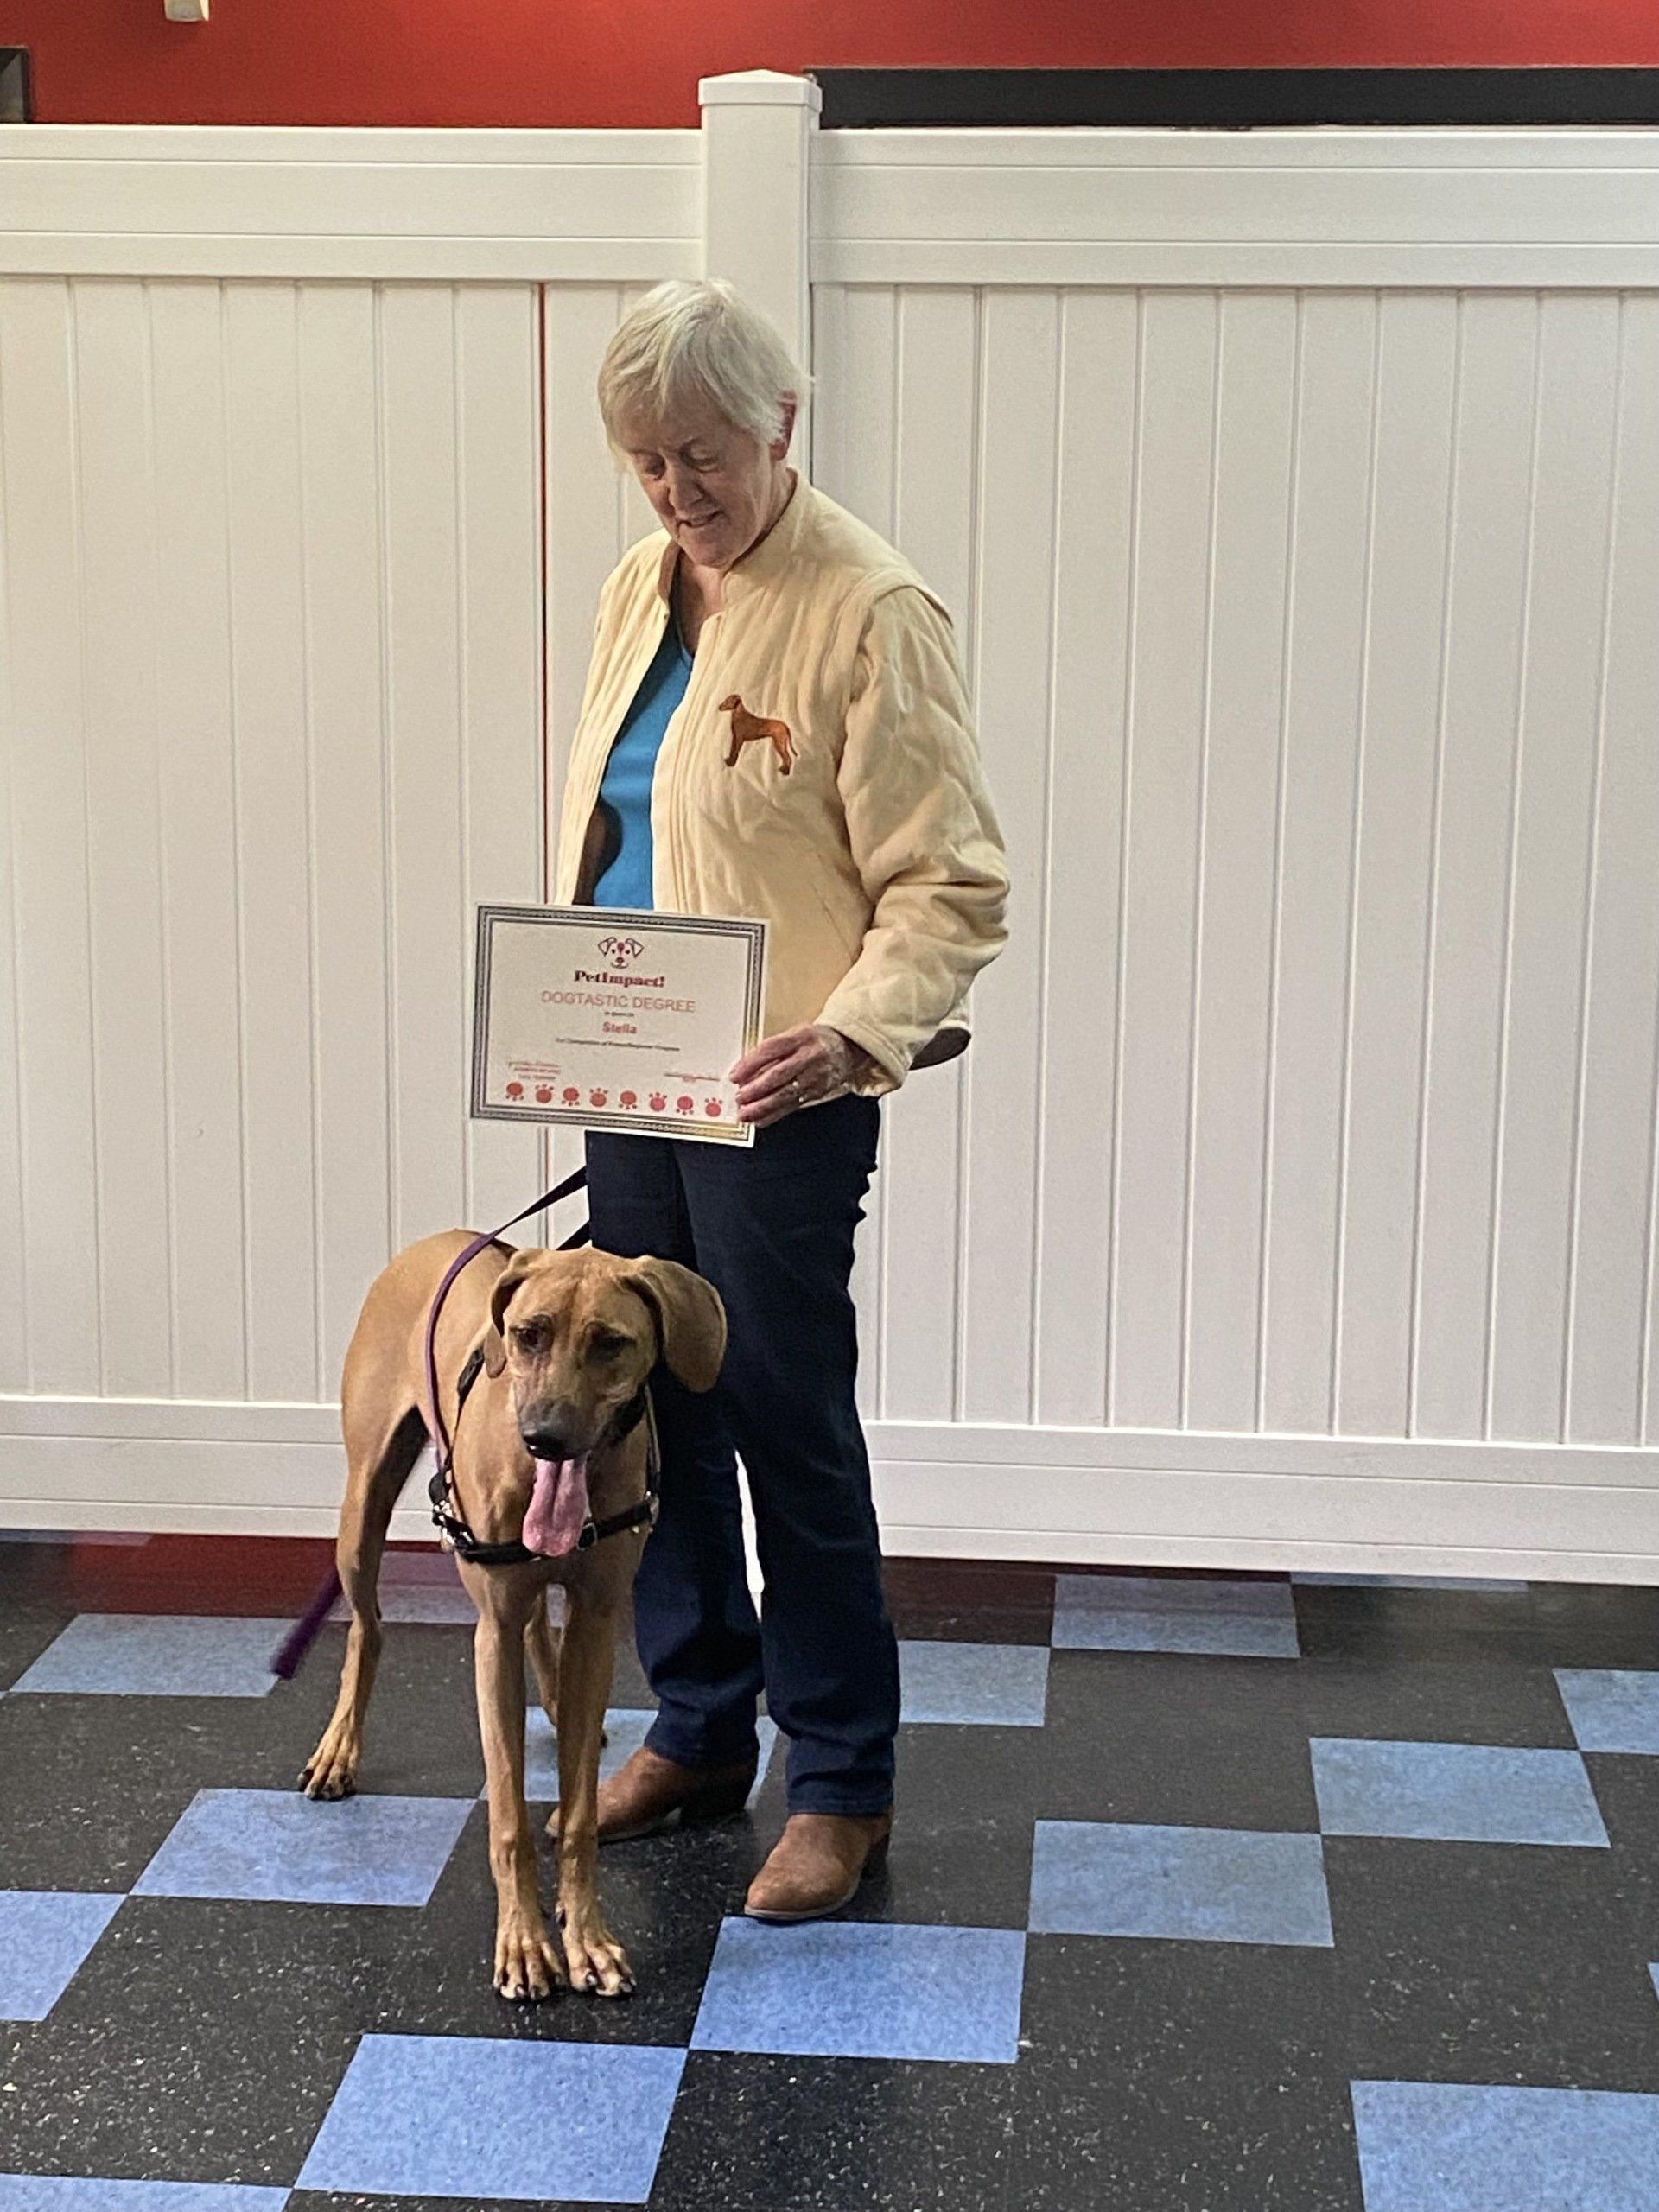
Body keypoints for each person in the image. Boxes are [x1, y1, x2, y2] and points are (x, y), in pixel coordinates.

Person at [554, 276, 1008, 1922]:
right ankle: (694, 1719)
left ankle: (842, 1779)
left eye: (706, 454)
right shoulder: (636, 588)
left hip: (780, 1095)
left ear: (781, 429)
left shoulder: (873, 609)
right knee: (637, 1407)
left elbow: (950, 885)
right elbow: (636, 825)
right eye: (649, 461)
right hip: (633, 1075)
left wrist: (852, 1034)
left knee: (784, 1418)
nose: (681, 491)